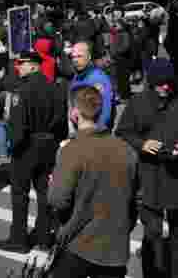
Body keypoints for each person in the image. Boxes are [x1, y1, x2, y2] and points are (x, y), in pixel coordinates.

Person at [114, 59, 178, 278]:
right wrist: (142, 144)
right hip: (149, 177)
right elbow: (124, 132)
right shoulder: (138, 103)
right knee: (152, 232)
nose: (166, 87)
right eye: (161, 83)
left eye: (169, 83)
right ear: (152, 82)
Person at [48, 86, 138, 278]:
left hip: (78, 244)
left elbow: (57, 200)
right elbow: (136, 199)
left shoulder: (72, 150)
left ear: (74, 114)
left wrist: (53, 183)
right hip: (115, 248)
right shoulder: (127, 150)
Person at [0, 50, 67, 253]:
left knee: (20, 194)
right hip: (49, 144)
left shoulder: (22, 90)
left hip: (27, 146)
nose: (18, 67)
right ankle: (44, 238)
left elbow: (17, 125)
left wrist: (14, 147)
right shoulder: (56, 88)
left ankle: (18, 239)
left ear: (34, 65)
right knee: (45, 193)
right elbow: (61, 122)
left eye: (22, 63)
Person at [68, 42, 114, 131]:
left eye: (79, 56)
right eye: (73, 57)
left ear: (89, 57)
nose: (75, 60)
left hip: (94, 133)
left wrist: (96, 132)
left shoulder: (98, 78)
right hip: (81, 129)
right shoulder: (78, 75)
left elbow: (106, 110)